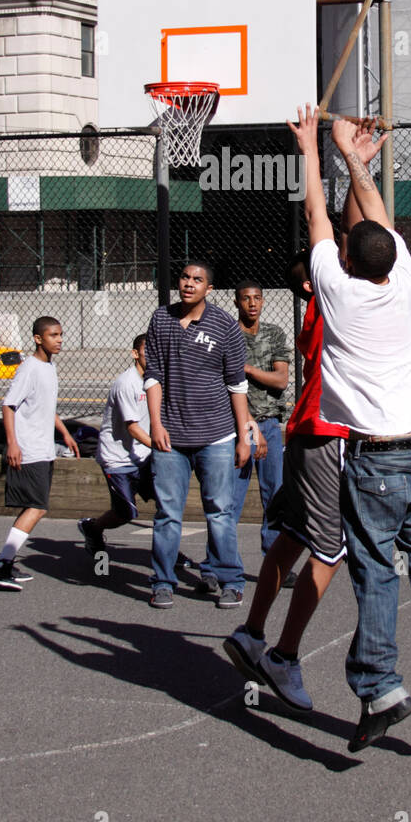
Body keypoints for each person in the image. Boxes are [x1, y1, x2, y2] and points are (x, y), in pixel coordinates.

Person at [289, 106, 411, 752]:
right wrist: (352, 161)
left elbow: (316, 214)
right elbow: (371, 218)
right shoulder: (403, 281)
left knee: (374, 570)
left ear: (345, 256)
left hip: (372, 459)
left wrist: (314, 150)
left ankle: (380, 686)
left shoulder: (334, 292)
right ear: (390, 256)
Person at [222, 132, 383, 711]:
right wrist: (334, 161)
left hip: (299, 436)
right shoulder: (334, 299)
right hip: (325, 437)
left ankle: (251, 630)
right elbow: (345, 240)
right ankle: (284, 656)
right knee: (330, 550)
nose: (344, 258)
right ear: (316, 283)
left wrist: (353, 169)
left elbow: (349, 239)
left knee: (289, 538)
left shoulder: (324, 298)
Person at [145, 260, 260, 610]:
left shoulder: (225, 325)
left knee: (221, 512)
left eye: (198, 280)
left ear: (209, 289)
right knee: (167, 514)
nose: (189, 283)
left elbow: (237, 385)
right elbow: (153, 376)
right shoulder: (160, 319)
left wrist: (243, 436)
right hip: (171, 438)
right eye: (184, 277)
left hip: (217, 437)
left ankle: (231, 581)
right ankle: (162, 582)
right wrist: (155, 424)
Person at [197, 281, 290, 595]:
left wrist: (247, 369)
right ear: (236, 302)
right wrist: (246, 428)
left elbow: (280, 380)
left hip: (270, 426)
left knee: (275, 497)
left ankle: (275, 564)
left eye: (257, 298)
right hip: (235, 429)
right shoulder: (226, 335)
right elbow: (222, 382)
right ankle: (213, 567)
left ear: (263, 302)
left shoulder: (273, 334)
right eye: (246, 299)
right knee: (228, 502)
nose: (252, 304)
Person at [0, 316, 79, 590]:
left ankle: (5, 562)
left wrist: (64, 432)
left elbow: (46, 406)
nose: (59, 340)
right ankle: (1, 565)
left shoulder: (49, 367)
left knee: (34, 507)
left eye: (61, 334)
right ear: (39, 338)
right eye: (53, 335)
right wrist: (13, 443)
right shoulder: (30, 368)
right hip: (28, 449)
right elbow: (8, 405)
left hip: (44, 448)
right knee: (37, 507)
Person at [78, 334, 153, 557]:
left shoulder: (156, 380)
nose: (154, 355)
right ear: (135, 354)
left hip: (145, 456)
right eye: (148, 350)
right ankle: (92, 528)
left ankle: (167, 551)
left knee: (169, 504)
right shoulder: (126, 383)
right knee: (125, 513)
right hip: (118, 460)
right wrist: (161, 446)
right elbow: (133, 428)